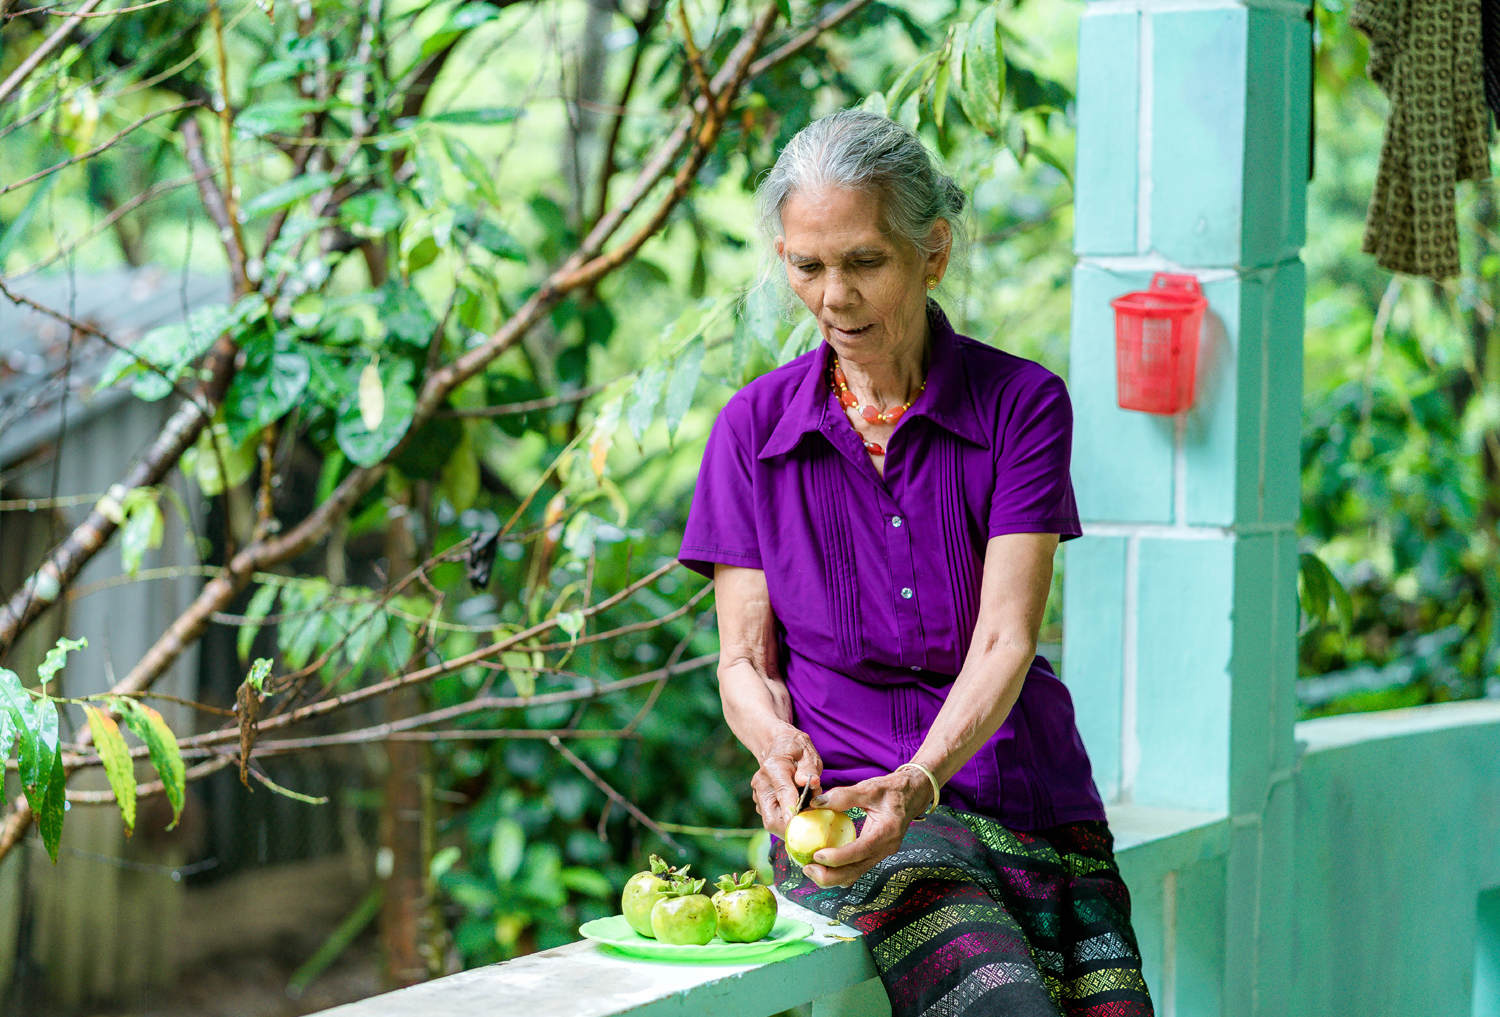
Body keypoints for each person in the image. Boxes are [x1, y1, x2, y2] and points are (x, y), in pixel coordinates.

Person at [678, 109, 1154, 1017]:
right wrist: (776, 747)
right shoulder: (750, 430)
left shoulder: (1020, 403)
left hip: (1027, 793)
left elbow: (1007, 637)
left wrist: (924, 776)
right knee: (1002, 1008)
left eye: (865, 262)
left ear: (931, 252)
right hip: (859, 819)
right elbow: (744, 661)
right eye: (806, 265)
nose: (833, 296)